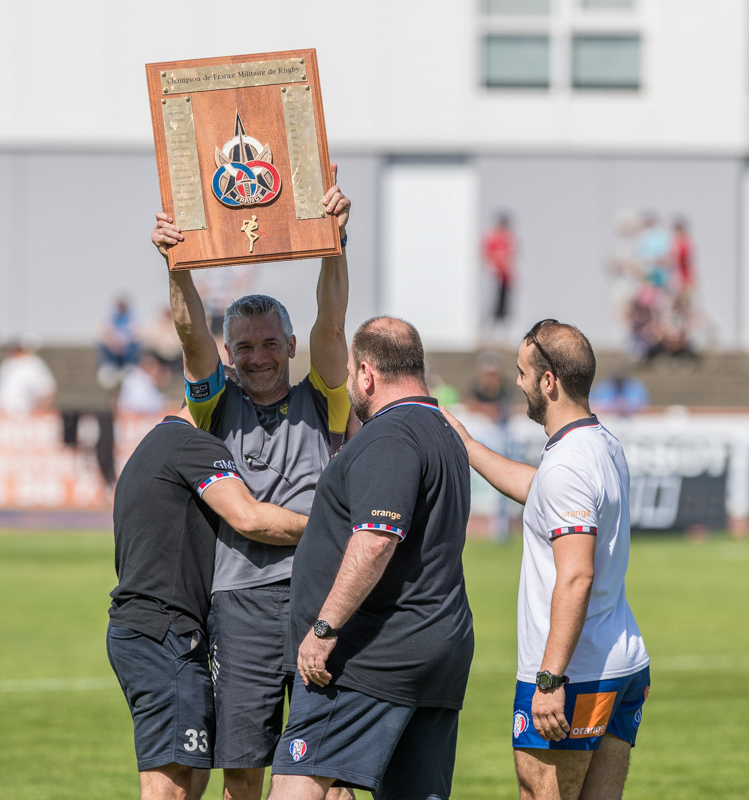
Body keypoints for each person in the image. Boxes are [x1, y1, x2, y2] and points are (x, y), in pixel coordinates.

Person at [151, 163, 352, 800]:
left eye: (270, 343)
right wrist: (177, 266)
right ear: (230, 353)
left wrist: (334, 244)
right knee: (243, 763)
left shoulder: (325, 399)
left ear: (290, 345)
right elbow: (189, 335)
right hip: (239, 603)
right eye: (245, 346)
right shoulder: (213, 408)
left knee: (330, 760)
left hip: (321, 594)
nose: (258, 356)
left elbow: (332, 321)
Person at [267, 317, 475, 800]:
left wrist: (323, 630)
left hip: (371, 655)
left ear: (366, 373)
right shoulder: (443, 430)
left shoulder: (390, 434)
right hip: (435, 646)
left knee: (296, 784)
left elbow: (377, 538)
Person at [445, 319, 650, 800]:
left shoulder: (568, 465)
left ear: (549, 380)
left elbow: (576, 576)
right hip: (620, 663)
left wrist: (549, 678)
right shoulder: (600, 443)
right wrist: (470, 447)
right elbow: (541, 492)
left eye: (522, 372)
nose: (517, 383)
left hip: (574, 673)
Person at [108, 411, 310, 800]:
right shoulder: (192, 443)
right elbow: (249, 518)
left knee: (191, 775)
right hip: (164, 632)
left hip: (148, 629)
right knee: (175, 785)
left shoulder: (153, 443)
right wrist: (328, 529)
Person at [0, 335, 56, 414]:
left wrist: (37, 413)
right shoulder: (8, 362)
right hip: (3, 417)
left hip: (24, 415)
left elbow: (46, 392)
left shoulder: (33, 363)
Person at [482, 211, 517, 336]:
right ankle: (487, 333)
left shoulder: (508, 239)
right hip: (495, 277)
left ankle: (503, 335)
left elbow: (510, 258)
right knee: (492, 306)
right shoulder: (493, 238)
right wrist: (493, 269)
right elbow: (487, 255)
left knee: (505, 307)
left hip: (506, 278)